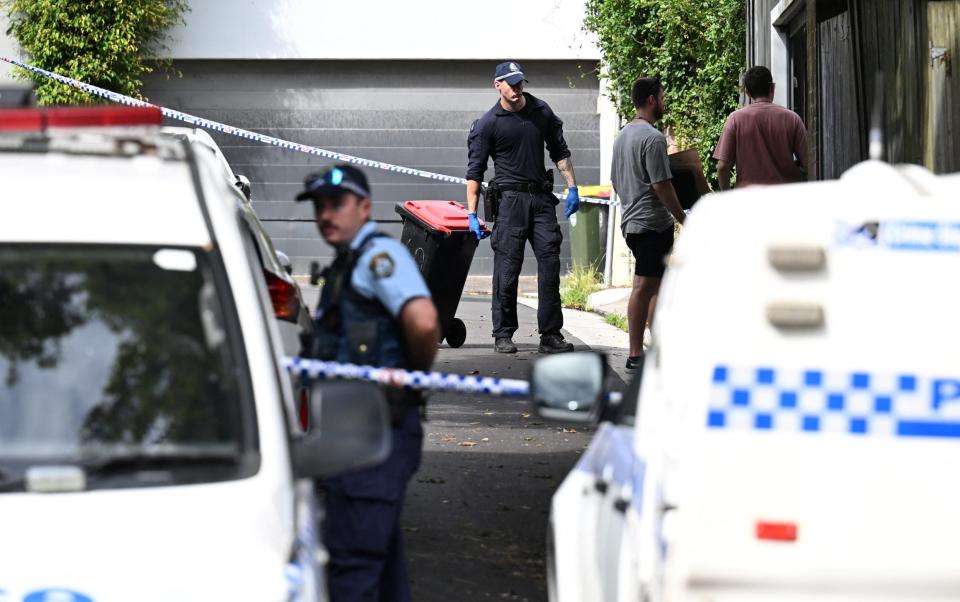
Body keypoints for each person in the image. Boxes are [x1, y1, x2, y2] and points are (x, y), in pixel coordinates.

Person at [295, 164, 439, 602]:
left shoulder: (379, 257)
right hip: (359, 435)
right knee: (380, 566)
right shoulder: (350, 262)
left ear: (364, 207)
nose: (326, 215)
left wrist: (407, 382)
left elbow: (424, 322)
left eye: (336, 204)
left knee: (353, 569)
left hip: (376, 435)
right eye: (320, 206)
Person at [465, 60, 580, 355]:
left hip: (541, 200)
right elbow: (474, 173)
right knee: (507, 268)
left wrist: (573, 187)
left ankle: (550, 335)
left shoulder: (541, 112)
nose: (517, 88)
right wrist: (471, 214)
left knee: (550, 264)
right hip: (509, 203)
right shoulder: (489, 123)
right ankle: (503, 333)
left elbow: (560, 151)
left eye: (520, 83)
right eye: (511, 83)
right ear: (497, 85)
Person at [610, 78, 686, 371]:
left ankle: (658, 350)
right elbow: (662, 185)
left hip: (631, 221)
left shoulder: (622, 136)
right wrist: (682, 217)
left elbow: (616, 181)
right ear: (652, 100)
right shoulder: (652, 138)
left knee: (655, 287)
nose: (664, 101)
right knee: (643, 286)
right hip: (652, 224)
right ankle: (634, 354)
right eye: (662, 96)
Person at [714, 65, 809, 190]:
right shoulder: (792, 119)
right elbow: (809, 163)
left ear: (747, 92)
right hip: (786, 199)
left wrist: (727, 197)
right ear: (772, 87)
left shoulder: (735, 120)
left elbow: (722, 167)